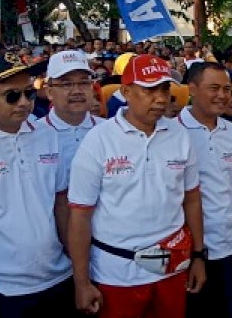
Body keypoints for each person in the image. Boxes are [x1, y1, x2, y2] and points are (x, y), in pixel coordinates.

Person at [68, 54, 206, 318]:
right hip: (116, 274)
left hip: (172, 267)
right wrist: (82, 282)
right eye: (149, 89)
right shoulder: (98, 141)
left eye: (164, 88)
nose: (161, 98)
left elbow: (192, 199)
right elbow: (80, 215)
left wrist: (198, 255)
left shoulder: (180, 136)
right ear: (126, 92)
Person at [0, 54, 77, 317]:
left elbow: (61, 203)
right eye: (11, 96)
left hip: (59, 280)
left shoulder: (47, 134)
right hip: (1, 291)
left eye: (29, 94)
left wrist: (77, 266)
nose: (23, 103)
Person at [179, 63, 232, 318]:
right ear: (192, 89)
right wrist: (196, 253)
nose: (223, 96)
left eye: (226, 89)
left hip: (230, 245)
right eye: (214, 88)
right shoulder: (172, 131)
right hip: (186, 251)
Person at [38, 50, 104, 181]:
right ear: (50, 92)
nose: (77, 91)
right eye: (66, 84)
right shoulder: (34, 135)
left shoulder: (108, 131)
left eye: (84, 83)